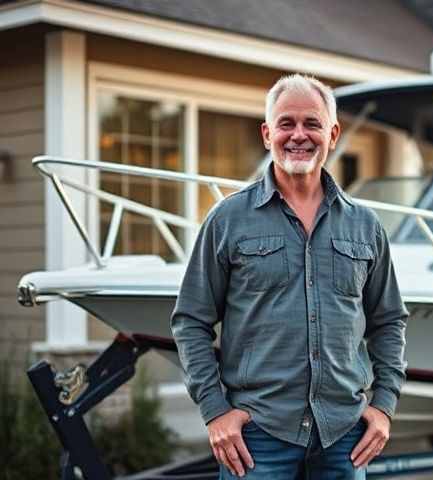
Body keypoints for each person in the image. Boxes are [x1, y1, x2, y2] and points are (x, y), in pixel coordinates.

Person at [171, 73, 408, 479]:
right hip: (257, 437)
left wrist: (384, 405)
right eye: (286, 123)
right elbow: (190, 320)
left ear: (332, 134)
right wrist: (215, 413)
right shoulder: (228, 220)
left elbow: (388, 321)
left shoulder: (366, 226)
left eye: (312, 124)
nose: (299, 135)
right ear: (267, 134)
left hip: (344, 437)